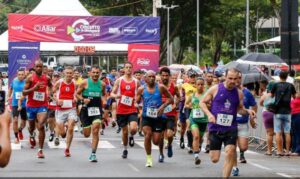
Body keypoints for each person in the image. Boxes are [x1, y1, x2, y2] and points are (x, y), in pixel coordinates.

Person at [199, 68, 255, 178]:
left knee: (231, 151)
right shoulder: (215, 89)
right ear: (225, 77)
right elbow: (202, 102)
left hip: (231, 128)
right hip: (215, 128)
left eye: (235, 79)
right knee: (215, 159)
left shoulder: (239, 94)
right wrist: (209, 115)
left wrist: (248, 111)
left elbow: (240, 110)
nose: (233, 81)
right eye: (230, 78)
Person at [136, 70, 173, 167]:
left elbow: (171, 99)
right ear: (145, 79)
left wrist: (162, 107)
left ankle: (156, 140)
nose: (152, 78)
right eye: (150, 77)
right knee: (147, 134)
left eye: (153, 76)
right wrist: (138, 104)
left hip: (158, 118)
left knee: (156, 141)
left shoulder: (160, 87)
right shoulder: (141, 89)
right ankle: (149, 158)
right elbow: (136, 101)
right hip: (146, 117)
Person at [23, 60, 52, 158]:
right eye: (37, 67)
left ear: (43, 67)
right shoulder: (30, 78)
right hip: (31, 106)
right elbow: (24, 92)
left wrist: (49, 95)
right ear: (34, 67)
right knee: (31, 127)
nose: (39, 68)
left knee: (41, 125)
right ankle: (31, 134)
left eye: (41, 66)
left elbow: (51, 86)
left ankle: (40, 150)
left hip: (42, 105)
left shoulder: (47, 78)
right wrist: (33, 89)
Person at [76, 66, 106, 162]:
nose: (95, 74)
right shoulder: (84, 82)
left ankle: (93, 154)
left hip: (97, 110)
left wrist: (104, 103)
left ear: (100, 73)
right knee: (86, 134)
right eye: (94, 72)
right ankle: (83, 129)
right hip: (85, 110)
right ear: (90, 73)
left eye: (97, 72)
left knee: (96, 129)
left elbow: (104, 94)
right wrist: (83, 99)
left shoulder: (102, 84)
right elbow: (76, 94)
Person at [111, 62, 140, 159]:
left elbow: (140, 94)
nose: (128, 69)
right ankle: (125, 148)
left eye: (130, 67)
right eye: (126, 67)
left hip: (132, 109)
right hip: (121, 110)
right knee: (124, 132)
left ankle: (132, 136)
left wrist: (137, 102)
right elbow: (112, 93)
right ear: (124, 69)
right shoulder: (119, 80)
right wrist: (116, 96)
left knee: (133, 129)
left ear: (132, 69)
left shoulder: (136, 81)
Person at [232, 72, 257, 176]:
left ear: (241, 79)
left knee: (243, 147)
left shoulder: (246, 92)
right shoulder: (229, 91)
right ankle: (234, 167)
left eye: (239, 78)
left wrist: (252, 117)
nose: (237, 80)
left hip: (243, 123)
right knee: (232, 147)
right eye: (235, 78)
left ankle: (241, 153)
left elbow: (254, 105)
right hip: (231, 124)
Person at [53, 66, 78, 157]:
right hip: (60, 109)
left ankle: (67, 148)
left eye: (70, 73)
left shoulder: (74, 83)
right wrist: (57, 100)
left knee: (71, 127)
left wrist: (75, 98)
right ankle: (63, 134)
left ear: (72, 74)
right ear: (64, 73)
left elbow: (76, 94)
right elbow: (52, 93)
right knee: (63, 134)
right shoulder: (59, 83)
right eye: (67, 73)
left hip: (71, 108)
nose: (69, 75)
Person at [271, 71, 296, 156]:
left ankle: (279, 151)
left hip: (278, 111)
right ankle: (288, 151)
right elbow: (294, 96)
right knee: (287, 132)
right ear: (287, 76)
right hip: (288, 111)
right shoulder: (290, 86)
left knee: (278, 132)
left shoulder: (275, 85)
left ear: (279, 76)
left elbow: (271, 95)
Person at [158, 67, 180, 162]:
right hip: (160, 114)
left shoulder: (174, 87)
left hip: (170, 114)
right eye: (163, 75)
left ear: (169, 76)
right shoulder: (157, 86)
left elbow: (179, 96)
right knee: (161, 136)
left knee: (170, 134)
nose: (165, 77)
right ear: (160, 76)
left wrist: (175, 104)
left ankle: (170, 144)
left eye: (166, 75)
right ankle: (161, 154)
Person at [185, 77, 208, 165]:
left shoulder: (207, 95)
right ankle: (196, 156)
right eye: (198, 84)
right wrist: (192, 107)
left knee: (200, 138)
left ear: (204, 85)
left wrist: (205, 106)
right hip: (194, 119)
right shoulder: (193, 95)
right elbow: (186, 104)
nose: (200, 86)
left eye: (202, 84)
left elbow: (211, 105)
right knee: (196, 137)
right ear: (195, 85)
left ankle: (198, 146)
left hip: (203, 120)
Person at [180, 69, 197, 152]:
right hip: (187, 108)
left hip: (196, 109)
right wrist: (180, 97)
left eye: (194, 77)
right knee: (188, 126)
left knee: (195, 127)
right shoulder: (185, 85)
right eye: (191, 77)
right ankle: (190, 145)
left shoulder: (199, 85)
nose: (193, 78)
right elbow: (179, 91)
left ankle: (194, 142)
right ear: (188, 78)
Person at [8, 69, 27, 144]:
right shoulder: (14, 81)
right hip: (15, 103)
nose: (20, 76)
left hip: (24, 104)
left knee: (24, 122)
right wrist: (9, 96)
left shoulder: (26, 82)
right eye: (19, 74)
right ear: (17, 74)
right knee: (15, 120)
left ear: (24, 75)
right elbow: (11, 89)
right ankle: (16, 137)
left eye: (22, 74)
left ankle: (20, 130)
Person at [259, 81, 276, 156]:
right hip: (276, 114)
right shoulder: (278, 95)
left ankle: (269, 151)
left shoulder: (265, 95)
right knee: (279, 133)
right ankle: (280, 151)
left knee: (269, 134)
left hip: (266, 113)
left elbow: (260, 103)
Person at [291, 79, 300, 156]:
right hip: (294, 114)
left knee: (297, 133)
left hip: (297, 114)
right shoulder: (295, 94)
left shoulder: (297, 95)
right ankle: (294, 149)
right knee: (294, 133)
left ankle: (297, 150)